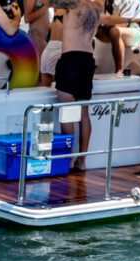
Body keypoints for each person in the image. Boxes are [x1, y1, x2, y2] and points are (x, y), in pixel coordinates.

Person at [54, 0, 105, 172]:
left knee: (67, 109)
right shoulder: (97, 8)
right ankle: (82, 161)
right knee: (84, 112)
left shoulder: (72, 4)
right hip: (87, 60)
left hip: (71, 59)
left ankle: (68, 160)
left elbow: (51, 3)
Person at [96, 0, 140, 74]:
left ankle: (119, 71)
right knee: (92, 30)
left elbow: (123, 25)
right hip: (111, 29)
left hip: (137, 34)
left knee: (115, 32)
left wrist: (103, 23)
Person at [40, 7, 65, 87]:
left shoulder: (58, 9)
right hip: (59, 50)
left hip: (48, 50)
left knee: (45, 91)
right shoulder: (73, 8)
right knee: (61, 90)